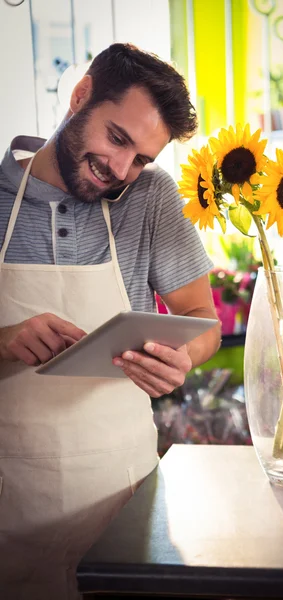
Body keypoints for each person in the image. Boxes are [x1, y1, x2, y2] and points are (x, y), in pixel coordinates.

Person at [0, 43, 221, 599]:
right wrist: (5, 341)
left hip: (122, 501)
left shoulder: (149, 199)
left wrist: (181, 358)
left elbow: (204, 321)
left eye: (143, 158)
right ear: (80, 97)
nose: (120, 170)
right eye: (117, 138)